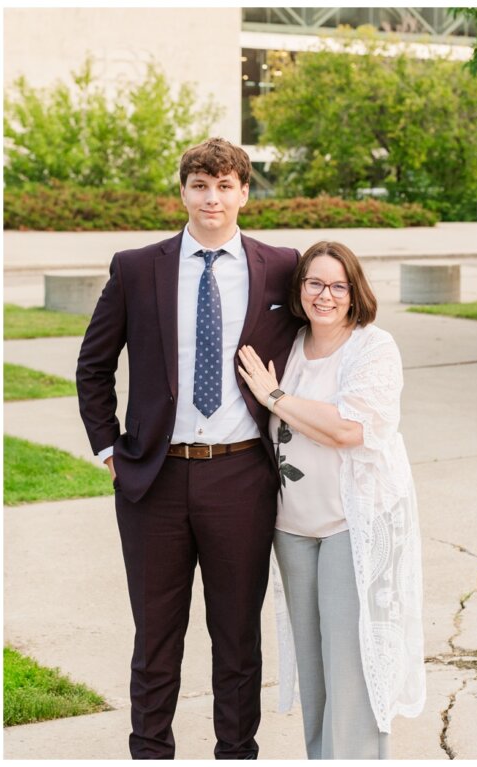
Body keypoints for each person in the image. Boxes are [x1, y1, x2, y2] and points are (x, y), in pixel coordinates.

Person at [76, 137, 302, 759]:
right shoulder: (136, 267)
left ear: (245, 194)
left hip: (242, 480)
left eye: (226, 186)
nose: (213, 198)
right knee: (155, 639)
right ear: (183, 191)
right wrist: (109, 450)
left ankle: (236, 752)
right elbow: (93, 366)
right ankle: (150, 752)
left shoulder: (281, 266)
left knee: (236, 639)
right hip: (153, 482)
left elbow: (328, 329)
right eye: (200, 185)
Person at [236, 241, 424, 759]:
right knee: (315, 670)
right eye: (314, 283)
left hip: (352, 524)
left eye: (338, 285)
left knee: (352, 664)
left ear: (354, 291)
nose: (326, 295)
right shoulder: (290, 346)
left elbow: (348, 429)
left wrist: (277, 398)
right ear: (299, 291)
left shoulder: (373, 347)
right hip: (293, 528)